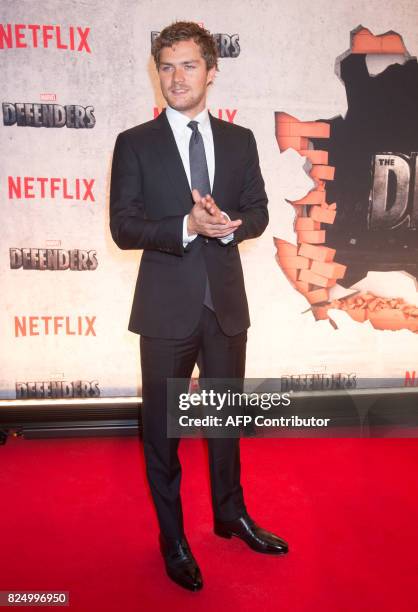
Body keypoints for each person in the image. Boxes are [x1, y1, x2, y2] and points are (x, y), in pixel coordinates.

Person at [109, 21, 288, 592]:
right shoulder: (135, 143)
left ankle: (230, 515)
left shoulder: (240, 141)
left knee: (224, 421)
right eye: (166, 67)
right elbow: (123, 227)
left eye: (188, 65)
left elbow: (259, 209)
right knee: (163, 433)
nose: (176, 78)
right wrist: (185, 225)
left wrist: (233, 227)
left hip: (225, 307)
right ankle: (173, 537)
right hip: (165, 310)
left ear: (212, 72)